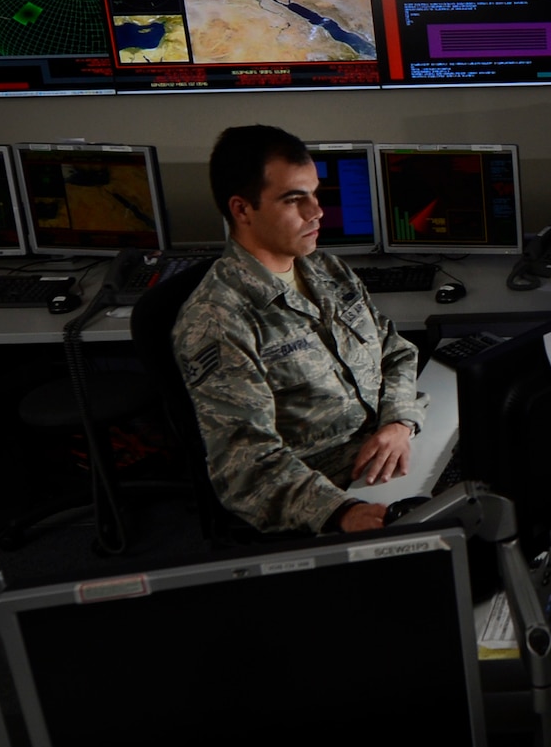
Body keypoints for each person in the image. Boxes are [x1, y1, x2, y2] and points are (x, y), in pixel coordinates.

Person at [172, 125, 428, 534]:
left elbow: (395, 351)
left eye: (315, 193)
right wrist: (343, 513)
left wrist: (398, 423)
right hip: (330, 499)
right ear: (242, 210)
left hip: (396, 451)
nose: (316, 212)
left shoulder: (326, 270)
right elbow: (247, 468)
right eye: (295, 199)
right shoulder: (218, 321)